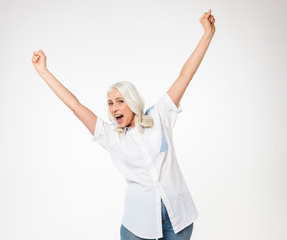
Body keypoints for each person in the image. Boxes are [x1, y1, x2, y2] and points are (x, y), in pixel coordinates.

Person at [32, 9, 215, 240]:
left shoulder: (159, 116)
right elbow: (75, 106)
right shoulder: (111, 136)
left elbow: (184, 76)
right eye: (110, 103)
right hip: (139, 224)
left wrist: (208, 34)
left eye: (120, 101)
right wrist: (43, 71)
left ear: (132, 101)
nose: (114, 107)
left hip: (178, 217)